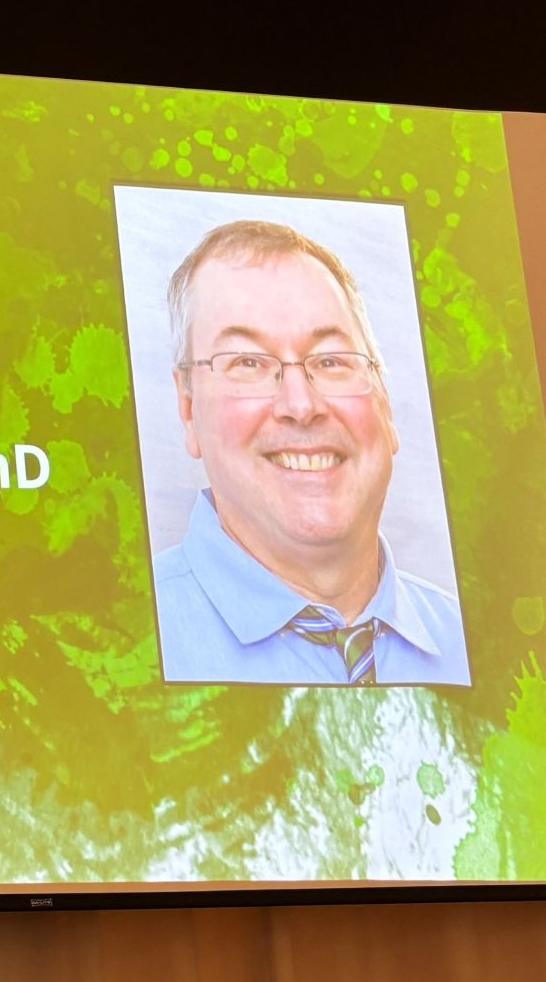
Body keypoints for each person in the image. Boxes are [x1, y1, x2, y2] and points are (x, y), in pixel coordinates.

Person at [148, 219, 467, 687]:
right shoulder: (112, 642)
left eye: (331, 361)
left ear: (386, 400)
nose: (301, 405)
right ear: (189, 408)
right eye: (248, 363)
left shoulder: (477, 645)